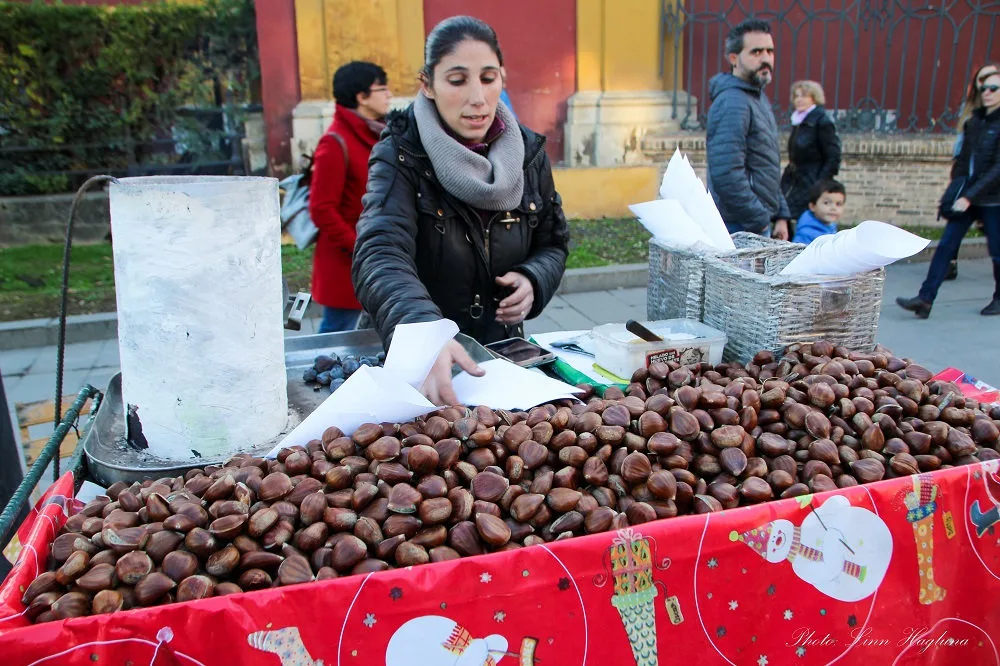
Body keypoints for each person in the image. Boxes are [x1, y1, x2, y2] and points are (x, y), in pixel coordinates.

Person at [352, 16, 570, 405]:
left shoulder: (529, 154)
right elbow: (379, 251)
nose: (477, 98)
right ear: (428, 85)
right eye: (457, 80)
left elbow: (553, 242)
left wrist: (533, 279)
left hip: (499, 361)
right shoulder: (400, 152)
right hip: (418, 360)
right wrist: (422, 332)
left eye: (488, 78)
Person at [897, 70, 1000, 318]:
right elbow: (963, 164)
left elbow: (997, 168)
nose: (987, 93)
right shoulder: (974, 122)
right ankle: (925, 299)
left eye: (994, 88)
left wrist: (970, 196)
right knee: (946, 246)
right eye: (983, 88)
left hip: (993, 199)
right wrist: (954, 194)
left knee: (997, 251)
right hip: (968, 196)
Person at [309, 61, 392, 333]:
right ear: (361, 96)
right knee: (334, 342)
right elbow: (321, 209)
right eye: (382, 89)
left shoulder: (377, 134)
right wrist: (360, 248)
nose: (389, 95)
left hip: (377, 261)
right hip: (346, 267)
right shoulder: (335, 142)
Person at [706, 19, 791, 240]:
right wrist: (760, 220)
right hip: (740, 227)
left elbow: (765, 163)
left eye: (770, 51)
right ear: (734, 58)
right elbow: (727, 174)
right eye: (756, 52)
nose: (766, 59)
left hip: (756, 223)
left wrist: (780, 214)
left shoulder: (756, 97)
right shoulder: (732, 102)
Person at [943, 62, 999, 281]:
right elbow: (961, 147)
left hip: (991, 185)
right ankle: (949, 264)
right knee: (956, 223)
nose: (987, 89)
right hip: (968, 179)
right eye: (982, 82)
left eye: (992, 83)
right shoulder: (969, 113)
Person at [780, 80, 842, 224]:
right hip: (794, 180)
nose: (799, 100)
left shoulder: (821, 121)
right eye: (796, 96)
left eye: (804, 96)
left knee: (806, 220)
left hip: (811, 181)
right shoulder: (799, 121)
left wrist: (820, 183)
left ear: (814, 98)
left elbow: (833, 156)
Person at [792, 179, 846, 245]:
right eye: (826, 203)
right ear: (812, 206)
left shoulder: (831, 228)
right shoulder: (805, 234)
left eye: (838, 204)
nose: (833, 208)